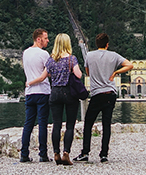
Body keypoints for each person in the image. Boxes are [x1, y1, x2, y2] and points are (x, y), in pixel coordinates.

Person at [73, 32, 133, 163]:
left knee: (88, 124)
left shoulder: (89, 56)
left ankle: (85, 153)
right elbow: (130, 65)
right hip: (110, 94)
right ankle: (104, 154)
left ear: (96, 44)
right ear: (107, 44)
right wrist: (116, 72)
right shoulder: (114, 55)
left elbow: (88, 72)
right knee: (107, 124)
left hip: (97, 94)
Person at [44, 33, 83, 165]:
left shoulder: (50, 60)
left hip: (54, 92)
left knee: (56, 124)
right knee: (70, 125)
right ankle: (66, 152)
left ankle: (56, 153)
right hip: (69, 93)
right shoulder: (71, 59)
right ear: (67, 44)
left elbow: (47, 74)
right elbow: (78, 74)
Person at [20, 28, 50, 163]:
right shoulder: (44, 54)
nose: (48, 40)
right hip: (42, 91)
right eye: (45, 38)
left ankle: (24, 154)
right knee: (42, 124)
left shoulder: (25, 53)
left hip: (30, 92)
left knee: (28, 124)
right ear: (39, 39)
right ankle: (43, 154)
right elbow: (48, 73)